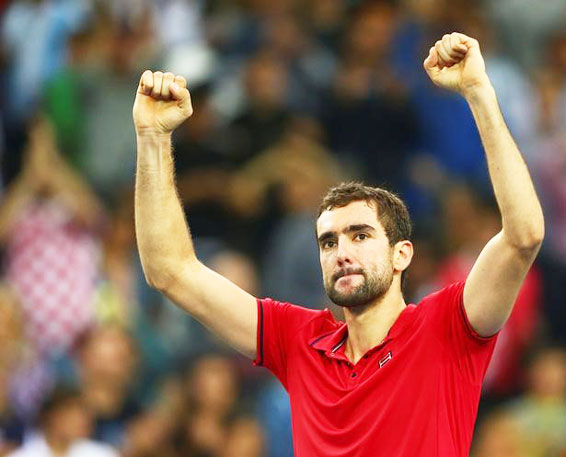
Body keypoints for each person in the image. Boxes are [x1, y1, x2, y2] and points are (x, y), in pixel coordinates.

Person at [132, 32, 544, 457]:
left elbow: (523, 236)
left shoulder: (446, 328)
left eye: (360, 235)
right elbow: (170, 270)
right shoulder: (296, 340)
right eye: (328, 242)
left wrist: (478, 92)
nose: (341, 251)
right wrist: (152, 137)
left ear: (401, 254)